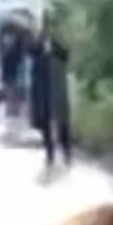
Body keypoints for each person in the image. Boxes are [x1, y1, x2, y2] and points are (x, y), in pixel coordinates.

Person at [30, 13, 72, 168]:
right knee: (46, 121)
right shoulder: (39, 39)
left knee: (62, 122)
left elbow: (67, 53)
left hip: (58, 85)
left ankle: (67, 151)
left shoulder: (59, 39)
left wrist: (54, 44)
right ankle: (50, 155)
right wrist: (40, 41)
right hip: (43, 87)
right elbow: (30, 51)